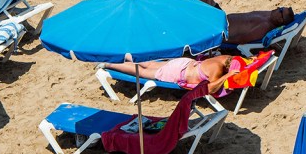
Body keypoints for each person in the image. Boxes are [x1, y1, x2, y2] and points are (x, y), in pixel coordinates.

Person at [102, 56, 240, 95]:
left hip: (184, 63)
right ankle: (108, 64)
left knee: (149, 63)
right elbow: (210, 89)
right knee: (144, 72)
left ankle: (123, 54)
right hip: (178, 72)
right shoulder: (217, 69)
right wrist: (226, 77)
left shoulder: (224, 58)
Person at [194, 0, 296, 44]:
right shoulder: (269, 15)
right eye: (281, 7)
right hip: (222, 17)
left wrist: (220, 39)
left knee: (196, 20)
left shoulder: (264, 27)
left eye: (281, 10)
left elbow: (241, 39)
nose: (278, 8)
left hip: (219, 29)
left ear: (280, 20)